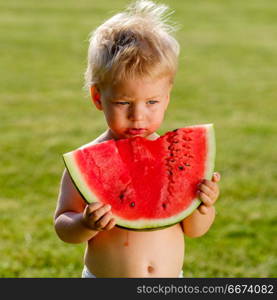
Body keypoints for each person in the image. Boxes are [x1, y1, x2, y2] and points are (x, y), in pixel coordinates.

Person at [54, 0, 221, 278]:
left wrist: (203, 206)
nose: (138, 116)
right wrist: (85, 223)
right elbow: (63, 225)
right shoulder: (87, 160)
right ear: (98, 98)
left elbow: (195, 230)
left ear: (167, 98)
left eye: (152, 102)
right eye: (123, 102)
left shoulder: (175, 162)